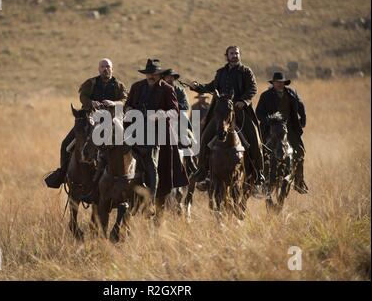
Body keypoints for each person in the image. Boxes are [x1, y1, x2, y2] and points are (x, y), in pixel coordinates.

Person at [44, 59, 127, 189]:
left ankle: (129, 178)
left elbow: (124, 100)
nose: (105, 69)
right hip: (90, 120)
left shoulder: (119, 85)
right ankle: (62, 174)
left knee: (126, 145)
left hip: (111, 121)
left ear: (112, 69)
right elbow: (83, 97)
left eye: (108, 67)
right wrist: (91, 103)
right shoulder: (91, 83)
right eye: (103, 67)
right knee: (66, 144)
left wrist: (114, 103)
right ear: (99, 69)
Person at [190, 45, 265, 186]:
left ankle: (258, 171)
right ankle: (202, 170)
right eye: (232, 53)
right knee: (205, 136)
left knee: (255, 138)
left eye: (236, 53)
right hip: (221, 113)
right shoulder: (221, 73)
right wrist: (198, 87)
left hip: (241, 112)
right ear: (227, 55)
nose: (234, 55)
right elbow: (212, 86)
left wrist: (244, 101)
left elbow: (253, 88)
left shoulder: (246, 71)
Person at [124, 59, 188, 209]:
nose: (151, 76)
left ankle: (151, 199)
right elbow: (128, 105)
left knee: (152, 163)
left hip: (159, 133)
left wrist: (160, 114)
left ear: (159, 75)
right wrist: (129, 111)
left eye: (154, 74)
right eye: (148, 74)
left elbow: (175, 111)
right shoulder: (136, 87)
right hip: (136, 130)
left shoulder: (167, 89)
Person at [256, 72, 308, 194]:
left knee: (300, 151)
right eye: (277, 82)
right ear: (273, 83)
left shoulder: (292, 94)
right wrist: (268, 120)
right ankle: (257, 180)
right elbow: (258, 112)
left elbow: (301, 106)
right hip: (270, 128)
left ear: (284, 83)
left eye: (281, 82)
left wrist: (303, 120)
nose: (279, 84)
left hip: (289, 128)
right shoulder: (265, 96)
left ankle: (299, 181)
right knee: (259, 151)